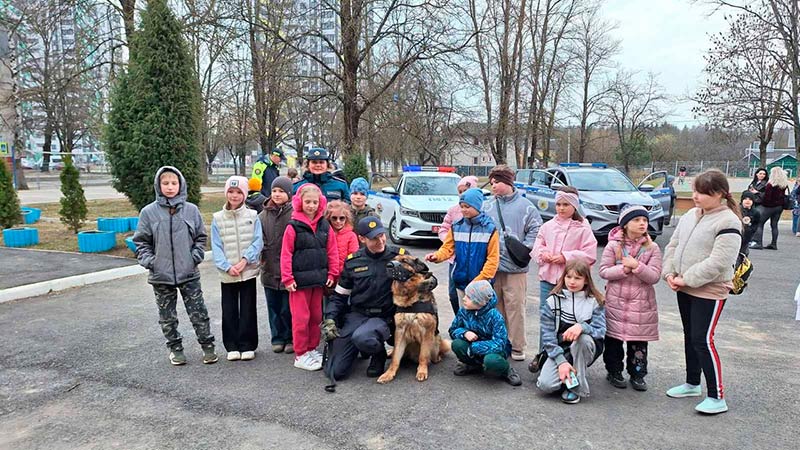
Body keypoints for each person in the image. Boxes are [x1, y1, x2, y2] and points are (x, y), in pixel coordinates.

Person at [662, 169, 741, 415]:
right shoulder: (690, 215)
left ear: (719, 194)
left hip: (709, 290)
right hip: (683, 286)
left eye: (701, 192)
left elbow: (719, 262)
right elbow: (673, 245)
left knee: (703, 339)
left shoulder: (728, 221)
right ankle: (692, 383)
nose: (695, 196)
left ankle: (717, 396)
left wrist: (686, 279)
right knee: (690, 336)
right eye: (695, 190)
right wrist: (669, 274)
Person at [132, 166, 218, 366]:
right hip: (161, 276)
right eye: (165, 183)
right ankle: (175, 348)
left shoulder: (191, 210)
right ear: (158, 185)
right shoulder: (148, 213)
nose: (170, 187)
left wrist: (194, 257)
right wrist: (151, 262)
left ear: (180, 185)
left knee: (198, 312)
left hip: (188, 273)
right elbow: (141, 242)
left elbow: (200, 238)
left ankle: (207, 346)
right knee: (167, 317)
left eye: (173, 183)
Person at [322, 217, 407, 380]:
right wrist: (330, 318)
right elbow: (340, 295)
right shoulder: (353, 261)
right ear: (362, 239)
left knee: (362, 337)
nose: (380, 241)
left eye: (382, 235)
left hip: (384, 317)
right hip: (358, 315)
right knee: (335, 371)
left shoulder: (399, 257)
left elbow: (420, 280)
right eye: (374, 238)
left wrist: (428, 282)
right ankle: (358, 349)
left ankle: (378, 354)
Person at [481, 165, 542, 361]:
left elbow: (536, 230)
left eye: (496, 182)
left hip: (516, 269)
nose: (493, 187)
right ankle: (499, 342)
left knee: (516, 308)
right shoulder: (487, 205)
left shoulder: (527, 207)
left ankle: (517, 346)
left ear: (507, 182)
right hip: (492, 267)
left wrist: (525, 249)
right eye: (491, 183)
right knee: (495, 307)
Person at [599, 205, 662, 391]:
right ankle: (614, 371)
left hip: (641, 304)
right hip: (616, 303)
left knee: (639, 342)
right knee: (613, 340)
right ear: (625, 224)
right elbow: (604, 271)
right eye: (636, 220)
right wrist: (623, 269)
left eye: (645, 220)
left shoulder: (653, 248)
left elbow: (655, 276)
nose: (642, 223)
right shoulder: (613, 246)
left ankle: (638, 374)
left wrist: (637, 266)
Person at [280, 184, 340, 371]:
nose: (311, 206)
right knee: (301, 318)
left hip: (318, 280)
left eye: (315, 202)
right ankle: (300, 353)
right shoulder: (293, 227)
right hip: (299, 283)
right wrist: (288, 278)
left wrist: (332, 272)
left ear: (320, 203)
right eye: (307, 202)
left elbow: (332, 250)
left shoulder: (324, 225)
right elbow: (286, 254)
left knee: (316, 316)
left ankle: (311, 348)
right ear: (300, 202)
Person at [531, 187, 597, 355]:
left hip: (570, 282)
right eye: (558, 204)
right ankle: (542, 355)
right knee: (547, 318)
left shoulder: (583, 227)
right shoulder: (548, 226)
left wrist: (566, 257)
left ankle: (567, 355)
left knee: (568, 318)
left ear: (574, 206)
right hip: (548, 280)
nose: (561, 208)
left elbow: (589, 254)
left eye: (566, 205)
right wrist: (543, 253)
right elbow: (538, 245)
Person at [536, 259, 606, 404]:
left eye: (578, 278)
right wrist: (561, 362)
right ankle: (567, 371)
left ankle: (575, 388)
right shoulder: (552, 301)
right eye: (569, 277)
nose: (572, 282)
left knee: (581, 340)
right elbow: (548, 337)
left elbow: (600, 331)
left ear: (586, 280)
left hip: (585, 346)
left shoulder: (595, 301)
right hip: (561, 347)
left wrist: (582, 327)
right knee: (545, 385)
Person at [211, 176, 264, 361]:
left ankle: (247, 344)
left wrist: (244, 261)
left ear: (245, 194)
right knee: (229, 308)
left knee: (248, 307)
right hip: (228, 273)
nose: (234, 195)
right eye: (231, 192)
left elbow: (258, 241)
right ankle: (232, 345)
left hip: (247, 270)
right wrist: (226, 266)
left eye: (239, 192)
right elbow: (216, 246)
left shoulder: (252, 216)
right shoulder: (217, 218)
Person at [425, 188, 500, 300]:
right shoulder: (456, 226)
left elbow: (493, 259)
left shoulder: (489, 228)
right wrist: (437, 256)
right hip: (461, 283)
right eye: (462, 206)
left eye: (467, 207)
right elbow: (447, 248)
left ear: (477, 206)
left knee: (480, 316)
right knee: (464, 314)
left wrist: (481, 279)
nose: (464, 210)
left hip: (481, 285)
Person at [449, 280, 522, 386]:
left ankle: (506, 370)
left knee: (491, 361)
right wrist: (464, 333)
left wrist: (474, 347)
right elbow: (453, 329)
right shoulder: (463, 311)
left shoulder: (494, 316)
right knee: (457, 344)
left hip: (493, 350)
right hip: (473, 347)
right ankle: (472, 364)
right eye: (465, 295)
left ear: (480, 302)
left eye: (469, 297)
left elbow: (500, 343)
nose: (464, 299)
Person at [259, 176, 295, 354]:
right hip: (269, 269)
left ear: (289, 193)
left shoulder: (295, 214)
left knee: (287, 308)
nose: (277, 194)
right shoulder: (262, 215)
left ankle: (290, 337)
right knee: (273, 307)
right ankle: (277, 337)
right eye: (274, 191)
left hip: (288, 270)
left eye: (281, 191)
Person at [438, 175, 479, 314]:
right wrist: (450, 242)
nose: (462, 194)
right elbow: (443, 229)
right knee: (453, 293)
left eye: (465, 191)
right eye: (460, 192)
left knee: (472, 293)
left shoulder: (481, 212)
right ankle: (459, 318)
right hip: (455, 259)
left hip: (474, 259)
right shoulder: (453, 210)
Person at [752, 166, 788, 250]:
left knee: (759, 223)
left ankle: (758, 243)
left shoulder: (770, 185)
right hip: (779, 207)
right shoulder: (783, 185)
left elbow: (767, 198)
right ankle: (774, 243)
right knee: (774, 225)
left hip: (769, 207)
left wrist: (762, 202)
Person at [326, 200, 359, 283]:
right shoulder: (325, 233)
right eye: (334, 218)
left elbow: (353, 258)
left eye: (342, 218)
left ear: (346, 218)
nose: (338, 221)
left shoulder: (351, 236)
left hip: (344, 276)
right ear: (329, 218)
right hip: (327, 275)